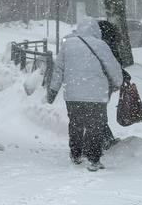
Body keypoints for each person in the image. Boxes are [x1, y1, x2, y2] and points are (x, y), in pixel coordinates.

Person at [46, 17, 124, 170]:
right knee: (96, 126)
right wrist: (118, 82)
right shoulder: (101, 45)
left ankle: (76, 154)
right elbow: (113, 67)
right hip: (96, 96)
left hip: (73, 95)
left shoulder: (67, 45)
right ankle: (94, 159)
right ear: (96, 30)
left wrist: (53, 90)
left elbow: (58, 70)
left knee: (76, 124)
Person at [96, 20, 131, 151]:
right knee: (99, 112)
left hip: (97, 82)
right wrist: (121, 76)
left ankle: (103, 139)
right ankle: (105, 139)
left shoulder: (98, 45)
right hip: (106, 83)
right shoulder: (109, 45)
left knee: (96, 112)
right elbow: (116, 64)